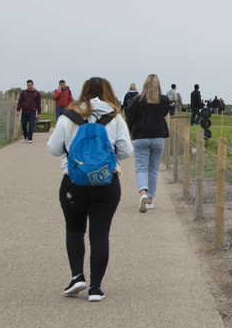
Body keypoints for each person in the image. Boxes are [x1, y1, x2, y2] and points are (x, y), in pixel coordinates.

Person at [46, 77, 132, 302]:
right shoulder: (114, 117)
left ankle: (77, 276)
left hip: (73, 183)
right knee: (100, 235)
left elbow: (54, 149)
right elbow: (126, 150)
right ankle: (96, 287)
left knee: (74, 230)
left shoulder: (69, 116)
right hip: (106, 183)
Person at [125, 74, 173, 212]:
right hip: (158, 136)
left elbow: (130, 118)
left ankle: (142, 193)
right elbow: (164, 113)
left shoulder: (137, 100)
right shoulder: (164, 99)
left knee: (141, 168)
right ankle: (150, 199)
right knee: (153, 169)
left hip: (141, 136)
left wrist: (130, 132)